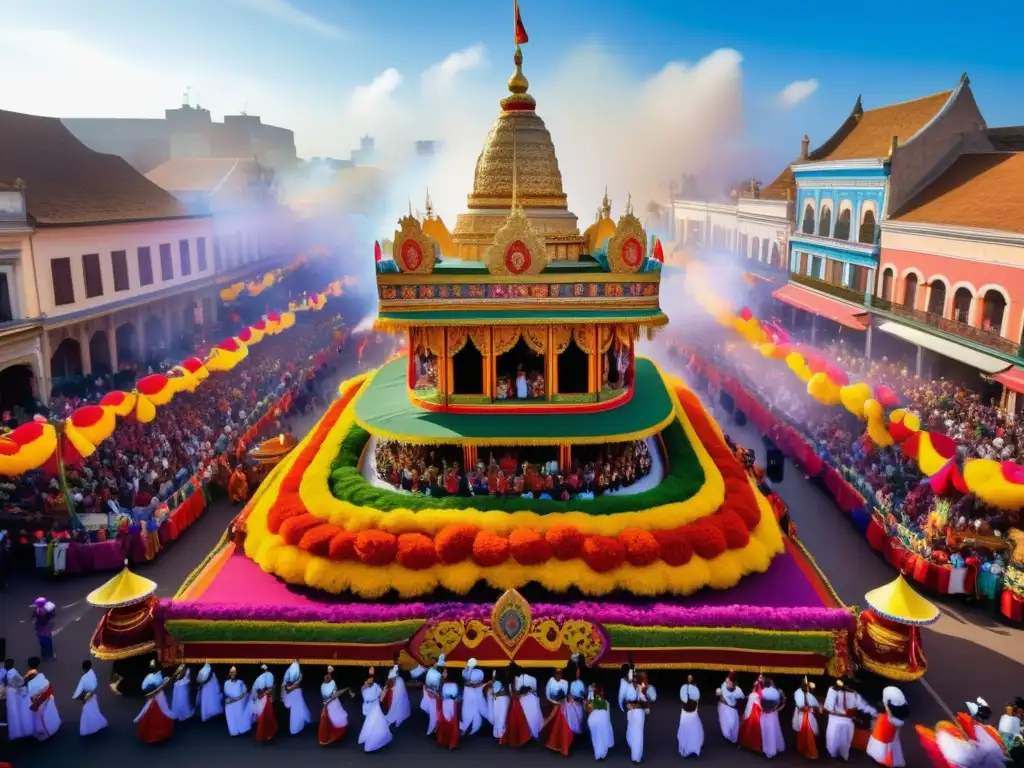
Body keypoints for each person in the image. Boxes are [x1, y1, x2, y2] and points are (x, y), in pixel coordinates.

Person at [824, 679, 876, 760]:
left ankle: (834, 754)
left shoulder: (833, 690)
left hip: (837, 720)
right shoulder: (853, 693)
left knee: (834, 738)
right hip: (846, 721)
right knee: (845, 739)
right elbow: (864, 706)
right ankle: (842, 756)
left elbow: (829, 707)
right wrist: (875, 712)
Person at [866, 686, 909, 767]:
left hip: (883, 738)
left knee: (882, 753)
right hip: (890, 739)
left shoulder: (890, 719)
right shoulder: (898, 720)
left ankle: (883, 761)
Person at [134, 660, 174, 744]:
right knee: (162, 711)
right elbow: (146, 688)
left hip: (158, 695)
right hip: (157, 696)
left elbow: (144, 687)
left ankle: (156, 734)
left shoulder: (152, 676)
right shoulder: (154, 676)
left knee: (154, 711)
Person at [623, 670, 656, 763]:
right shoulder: (631, 686)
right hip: (631, 712)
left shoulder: (645, 687)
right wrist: (627, 704)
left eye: (644, 677)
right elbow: (626, 699)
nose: (643, 678)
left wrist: (645, 693)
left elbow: (653, 697)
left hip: (639, 712)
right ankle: (635, 750)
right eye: (641, 676)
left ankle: (636, 757)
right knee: (630, 733)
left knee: (638, 734)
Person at [358, 667, 393, 752]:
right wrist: (365, 686)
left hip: (374, 706)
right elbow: (362, 691)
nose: (370, 679)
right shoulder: (364, 687)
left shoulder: (377, 687)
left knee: (373, 722)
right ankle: (368, 736)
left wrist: (384, 690)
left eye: (371, 678)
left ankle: (372, 740)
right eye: (369, 678)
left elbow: (381, 697)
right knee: (367, 722)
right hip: (366, 706)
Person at [542, 665, 573, 756]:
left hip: (562, 706)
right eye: (557, 673)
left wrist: (563, 699)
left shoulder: (565, 682)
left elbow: (567, 694)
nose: (558, 675)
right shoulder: (551, 681)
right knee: (550, 724)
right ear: (554, 674)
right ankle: (550, 742)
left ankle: (562, 743)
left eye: (560, 674)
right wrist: (553, 702)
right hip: (552, 705)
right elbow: (547, 694)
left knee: (561, 726)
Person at [72, 659, 108, 737]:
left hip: (87, 697)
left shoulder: (84, 678)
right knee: (95, 710)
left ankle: (90, 728)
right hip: (93, 696)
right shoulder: (92, 673)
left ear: (83, 668)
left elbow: (79, 689)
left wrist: (75, 696)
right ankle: (97, 724)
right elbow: (95, 684)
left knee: (87, 712)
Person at [318, 666, 349, 746]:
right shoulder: (322, 686)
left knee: (339, 717)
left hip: (334, 703)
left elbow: (335, 694)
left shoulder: (333, 683)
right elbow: (325, 696)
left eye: (328, 676)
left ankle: (339, 733)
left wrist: (329, 700)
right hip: (328, 705)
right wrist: (327, 701)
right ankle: (328, 735)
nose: (327, 677)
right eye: (326, 676)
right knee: (330, 719)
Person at [2, 658, 31, 741]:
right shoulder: (7, 672)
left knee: (14, 711)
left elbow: (21, 683)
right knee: (11, 711)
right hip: (10, 692)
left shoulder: (14, 673)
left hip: (13, 693)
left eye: (6, 664)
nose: (5, 665)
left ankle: (16, 731)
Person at [792, 677, 820, 759]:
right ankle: (803, 748)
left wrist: (812, 708)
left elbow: (815, 706)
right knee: (803, 732)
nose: (806, 687)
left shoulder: (809, 695)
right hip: (802, 715)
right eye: (804, 685)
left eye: (806, 686)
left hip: (809, 716)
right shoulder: (798, 693)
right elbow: (800, 706)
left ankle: (811, 750)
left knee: (809, 733)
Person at [282, 660, 312, 735]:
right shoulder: (289, 674)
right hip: (290, 693)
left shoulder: (298, 675)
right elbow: (285, 684)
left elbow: (296, 683)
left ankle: (297, 727)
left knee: (297, 710)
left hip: (295, 693)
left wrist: (290, 688)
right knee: (294, 710)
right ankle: (295, 727)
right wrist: (288, 688)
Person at [677, 674, 703, 758]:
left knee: (684, 729)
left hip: (685, 712)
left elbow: (682, 700)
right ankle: (694, 747)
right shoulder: (696, 690)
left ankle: (685, 748)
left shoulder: (683, 688)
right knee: (695, 729)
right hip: (693, 711)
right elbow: (697, 700)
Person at [587, 684, 615, 761]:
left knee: (598, 738)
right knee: (598, 738)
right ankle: (600, 754)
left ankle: (599, 754)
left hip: (598, 722)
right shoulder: (603, 702)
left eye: (602, 691)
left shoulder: (597, 702)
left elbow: (589, 711)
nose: (602, 693)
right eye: (601, 691)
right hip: (597, 722)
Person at [251, 664, 277, 742]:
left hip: (265, 699)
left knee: (265, 716)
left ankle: (268, 735)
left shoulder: (268, 676)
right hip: (261, 698)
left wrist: (263, 694)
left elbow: (270, 688)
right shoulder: (263, 677)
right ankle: (265, 734)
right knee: (262, 716)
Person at [716, 672, 745, 744]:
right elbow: (719, 695)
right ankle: (727, 736)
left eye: (729, 682)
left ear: (733, 683)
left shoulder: (738, 690)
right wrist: (718, 694)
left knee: (734, 725)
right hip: (725, 708)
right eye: (726, 682)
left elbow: (742, 699)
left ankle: (734, 739)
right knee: (726, 725)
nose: (727, 683)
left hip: (733, 709)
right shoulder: (723, 686)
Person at [223, 666, 252, 737]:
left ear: (237, 673)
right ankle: (234, 732)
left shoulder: (240, 682)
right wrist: (228, 699)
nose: (233, 674)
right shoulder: (226, 683)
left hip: (239, 703)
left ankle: (241, 730)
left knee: (239, 716)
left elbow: (244, 692)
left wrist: (236, 699)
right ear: (229, 673)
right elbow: (225, 692)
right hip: (229, 704)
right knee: (231, 718)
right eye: (231, 672)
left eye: (234, 672)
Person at [460, 657, 486, 736]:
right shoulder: (479, 672)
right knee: (474, 708)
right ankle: (469, 726)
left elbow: (467, 681)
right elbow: (479, 682)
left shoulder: (465, 671)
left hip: (470, 691)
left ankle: (468, 727)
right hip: (472, 692)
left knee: (469, 709)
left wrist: (472, 684)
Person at [437, 668, 460, 750]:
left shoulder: (449, 684)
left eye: (445, 672)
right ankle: (448, 741)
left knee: (450, 722)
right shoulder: (444, 683)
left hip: (449, 704)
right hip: (447, 704)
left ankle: (451, 742)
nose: (443, 674)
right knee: (448, 721)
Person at [421, 655, 444, 736]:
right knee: (434, 712)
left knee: (434, 712)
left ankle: (435, 728)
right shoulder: (433, 672)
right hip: (432, 694)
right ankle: (435, 728)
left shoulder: (436, 673)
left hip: (433, 694)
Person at [384, 662, 411, 728]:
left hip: (398, 684)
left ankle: (398, 713)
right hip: (400, 683)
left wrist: (393, 686)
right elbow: (393, 678)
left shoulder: (394, 670)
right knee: (399, 699)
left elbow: (392, 678)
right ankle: (400, 712)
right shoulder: (397, 669)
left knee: (398, 699)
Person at [565, 659, 586, 736]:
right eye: (577, 671)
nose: (578, 673)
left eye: (579, 671)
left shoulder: (580, 683)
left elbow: (582, 693)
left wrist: (582, 696)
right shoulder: (569, 683)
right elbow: (567, 695)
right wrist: (570, 698)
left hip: (579, 704)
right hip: (571, 706)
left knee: (579, 718)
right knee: (572, 720)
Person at [488, 668, 510, 741]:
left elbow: (495, 692)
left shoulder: (497, 682)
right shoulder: (506, 682)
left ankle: (499, 734)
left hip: (499, 700)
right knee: (502, 716)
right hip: (504, 699)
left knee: (498, 716)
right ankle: (500, 733)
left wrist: (490, 686)